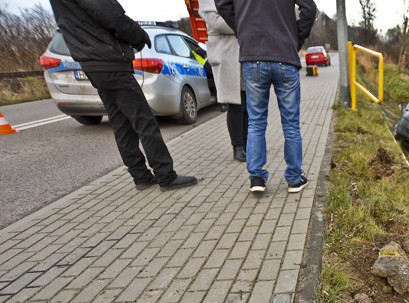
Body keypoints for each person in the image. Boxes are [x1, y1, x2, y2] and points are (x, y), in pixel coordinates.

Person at [48, 0, 197, 191]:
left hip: (92, 64)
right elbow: (110, 15)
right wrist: (138, 35)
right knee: (144, 121)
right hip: (110, 61)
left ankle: (141, 177)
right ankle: (166, 175)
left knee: (121, 124)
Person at [215, 0, 317, 194]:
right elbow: (309, 8)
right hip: (285, 56)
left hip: (252, 56)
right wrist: (295, 39)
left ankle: (257, 178)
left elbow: (221, 4)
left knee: (256, 122)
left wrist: (242, 29)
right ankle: (295, 178)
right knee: (291, 123)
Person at [198, 0, 249, 162]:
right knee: (235, 105)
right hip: (226, 53)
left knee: (247, 104)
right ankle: (238, 147)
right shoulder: (206, 2)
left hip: (242, 53)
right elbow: (218, 23)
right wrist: (246, 21)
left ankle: (248, 144)